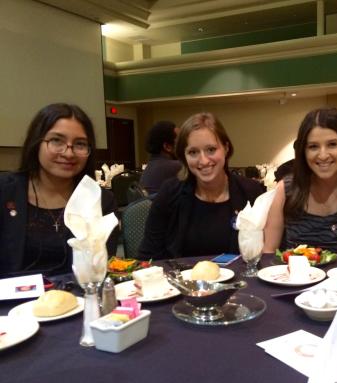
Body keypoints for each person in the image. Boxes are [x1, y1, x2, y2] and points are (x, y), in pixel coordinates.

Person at [0, 103, 118, 278]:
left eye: (80, 144)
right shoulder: (5, 191)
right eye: (57, 141)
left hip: (78, 300)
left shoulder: (100, 200)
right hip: (11, 301)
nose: (69, 153)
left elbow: (101, 270)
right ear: (36, 143)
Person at [138, 112, 264, 260]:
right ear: (184, 156)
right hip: (181, 281)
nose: (203, 161)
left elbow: (267, 254)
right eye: (193, 152)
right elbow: (148, 257)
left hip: (241, 282)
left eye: (211, 149)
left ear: (226, 148)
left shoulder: (251, 192)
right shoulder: (170, 193)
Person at [263, 107, 337, 254]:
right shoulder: (287, 189)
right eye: (313, 146)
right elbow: (268, 253)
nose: (323, 155)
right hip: (294, 276)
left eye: (332, 144)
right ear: (303, 151)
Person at [139, 120, 183, 194]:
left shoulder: (151, 165)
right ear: (167, 147)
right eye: (180, 141)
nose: (185, 145)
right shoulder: (175, 166)